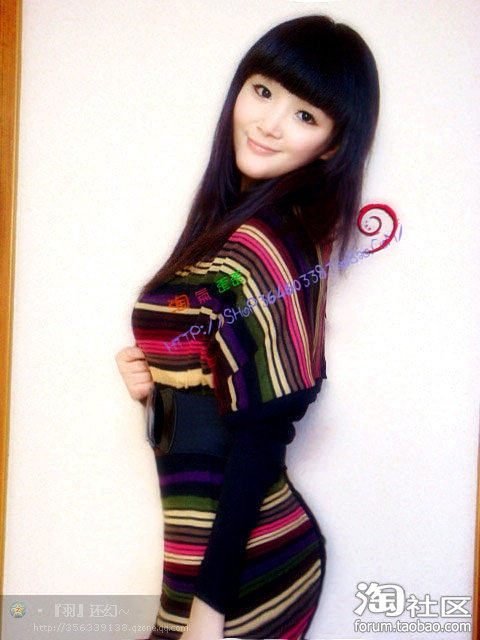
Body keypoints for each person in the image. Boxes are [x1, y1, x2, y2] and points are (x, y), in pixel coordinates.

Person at [115, 14, 379, 640]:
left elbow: (261, 435)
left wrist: (208, 615)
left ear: (332, 145)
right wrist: (155, 384)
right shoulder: (228, 227)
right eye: (263, 91)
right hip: (199, 549)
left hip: (248, 564)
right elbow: (212, 384)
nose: (268, 123)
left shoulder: (268, 242)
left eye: (305, 115)